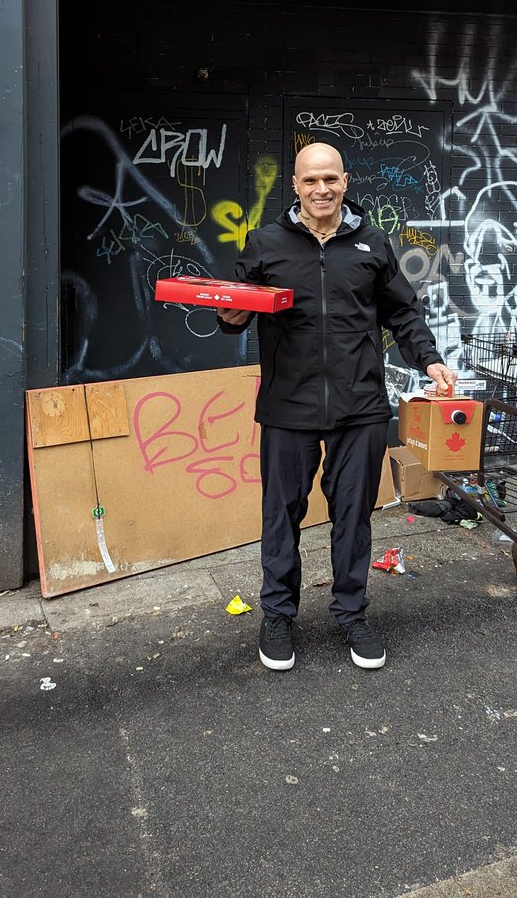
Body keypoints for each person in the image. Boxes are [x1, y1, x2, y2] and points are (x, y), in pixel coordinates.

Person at [218, 142, 455, 672]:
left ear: (345, 181)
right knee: (281, 516)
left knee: (354, 516)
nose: (320, 189)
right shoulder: (265, 243)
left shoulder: (372, 243)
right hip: (287, 406)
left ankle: (352, 614)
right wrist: (230, 320)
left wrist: (430, 359)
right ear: (295, 186)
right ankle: (277, 614)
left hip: (360, 405)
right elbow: (237, 310)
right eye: (309, 181)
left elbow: (403, 312)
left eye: (330, 179)